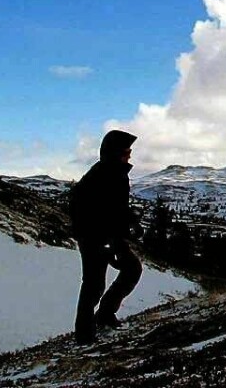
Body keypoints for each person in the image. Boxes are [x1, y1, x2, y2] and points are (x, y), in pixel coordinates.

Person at [71, 129, 143, 345]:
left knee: (131, 270)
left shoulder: (116, 173)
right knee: (93, 285)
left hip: (109, 236)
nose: (130, 154)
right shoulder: (103, 175)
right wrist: (104, 241)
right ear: (115, 152)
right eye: (126, 150)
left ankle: (104, 315)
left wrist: (131, 221)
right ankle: (84, 335)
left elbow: (116, 208)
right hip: (94, 237)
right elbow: (89, 211)